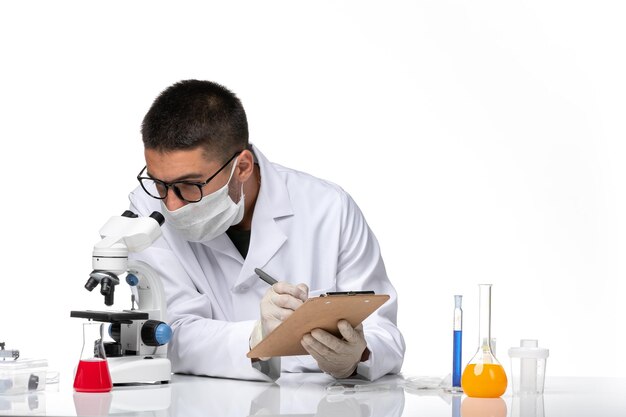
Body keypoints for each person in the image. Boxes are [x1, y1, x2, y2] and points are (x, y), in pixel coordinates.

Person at [128, 79, 405, 381]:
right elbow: (166, 334)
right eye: (158, 183)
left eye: (189, 186)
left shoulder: (329, 208)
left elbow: (383, 332)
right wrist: (257, 337)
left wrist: (357, 357)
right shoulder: (147, 214)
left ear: (243, 167)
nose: (171, 205)